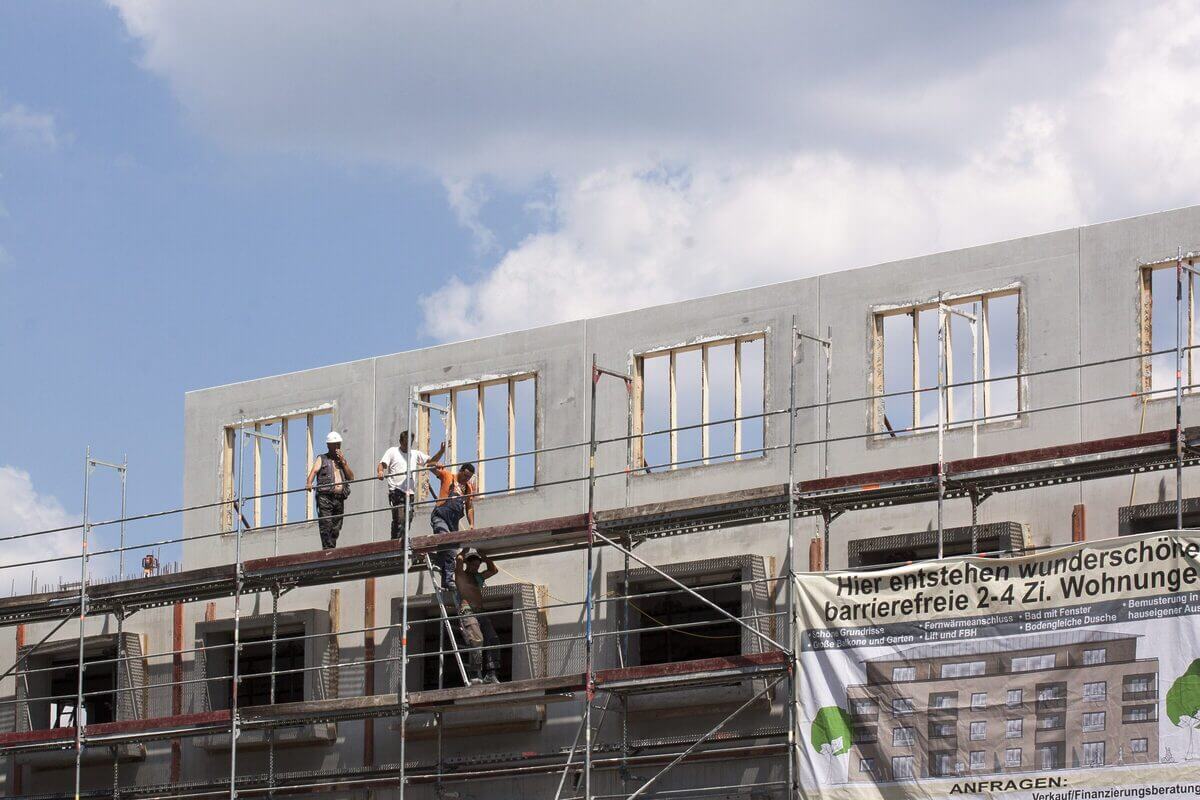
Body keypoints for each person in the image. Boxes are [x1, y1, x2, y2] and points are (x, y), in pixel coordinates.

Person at [377, 431, 444, 543]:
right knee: (399, 518)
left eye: (410, 443)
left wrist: (441, 451)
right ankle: (395, 542)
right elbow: (382, 464)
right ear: (400, 441)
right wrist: (380, 472)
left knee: (408, 518)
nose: (407, 446)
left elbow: (431, 461)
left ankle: (402, 541)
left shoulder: (415, 454)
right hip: (396, 491)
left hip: (409, 493)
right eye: (405, 443)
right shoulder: (393, 451)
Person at [427, 457, 475, 598]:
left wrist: (472, 524)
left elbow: (469, 507)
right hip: (440, 516)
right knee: (447, 543)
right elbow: (429, 466)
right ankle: (447, 577)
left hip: (453, 523)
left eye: (469, 477)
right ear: (461, 471)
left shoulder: (468, 489)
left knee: (450, 551)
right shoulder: (448, 476)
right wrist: (438, 459)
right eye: (465, 475)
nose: (466, 479)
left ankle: (445, 577)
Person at [455, 549, 500, 685]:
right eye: (473, 564)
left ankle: (491, 674)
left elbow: (494, 570)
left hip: (480, 612)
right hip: (468, 611)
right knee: (476, 639)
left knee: (493, 638)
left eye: (477, 565)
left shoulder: (478, 577)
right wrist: (464, 550)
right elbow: (458, 561)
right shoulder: (461, 575)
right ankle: (475, 673)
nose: (476, 567)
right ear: (468, 563)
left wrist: (484, 556)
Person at [306, 431, 354, 549]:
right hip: (325, 497)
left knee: (337, 526)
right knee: (326, 523)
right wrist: (309, 483)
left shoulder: (341, 461)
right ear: (329, 445)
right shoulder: (322, 458)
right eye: (335, 444)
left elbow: (351, 477)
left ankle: (331, 547)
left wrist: (343, 462)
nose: (337, 446)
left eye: (338, 444)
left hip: (339, 498)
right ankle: (327, 549)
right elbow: (314, 471)